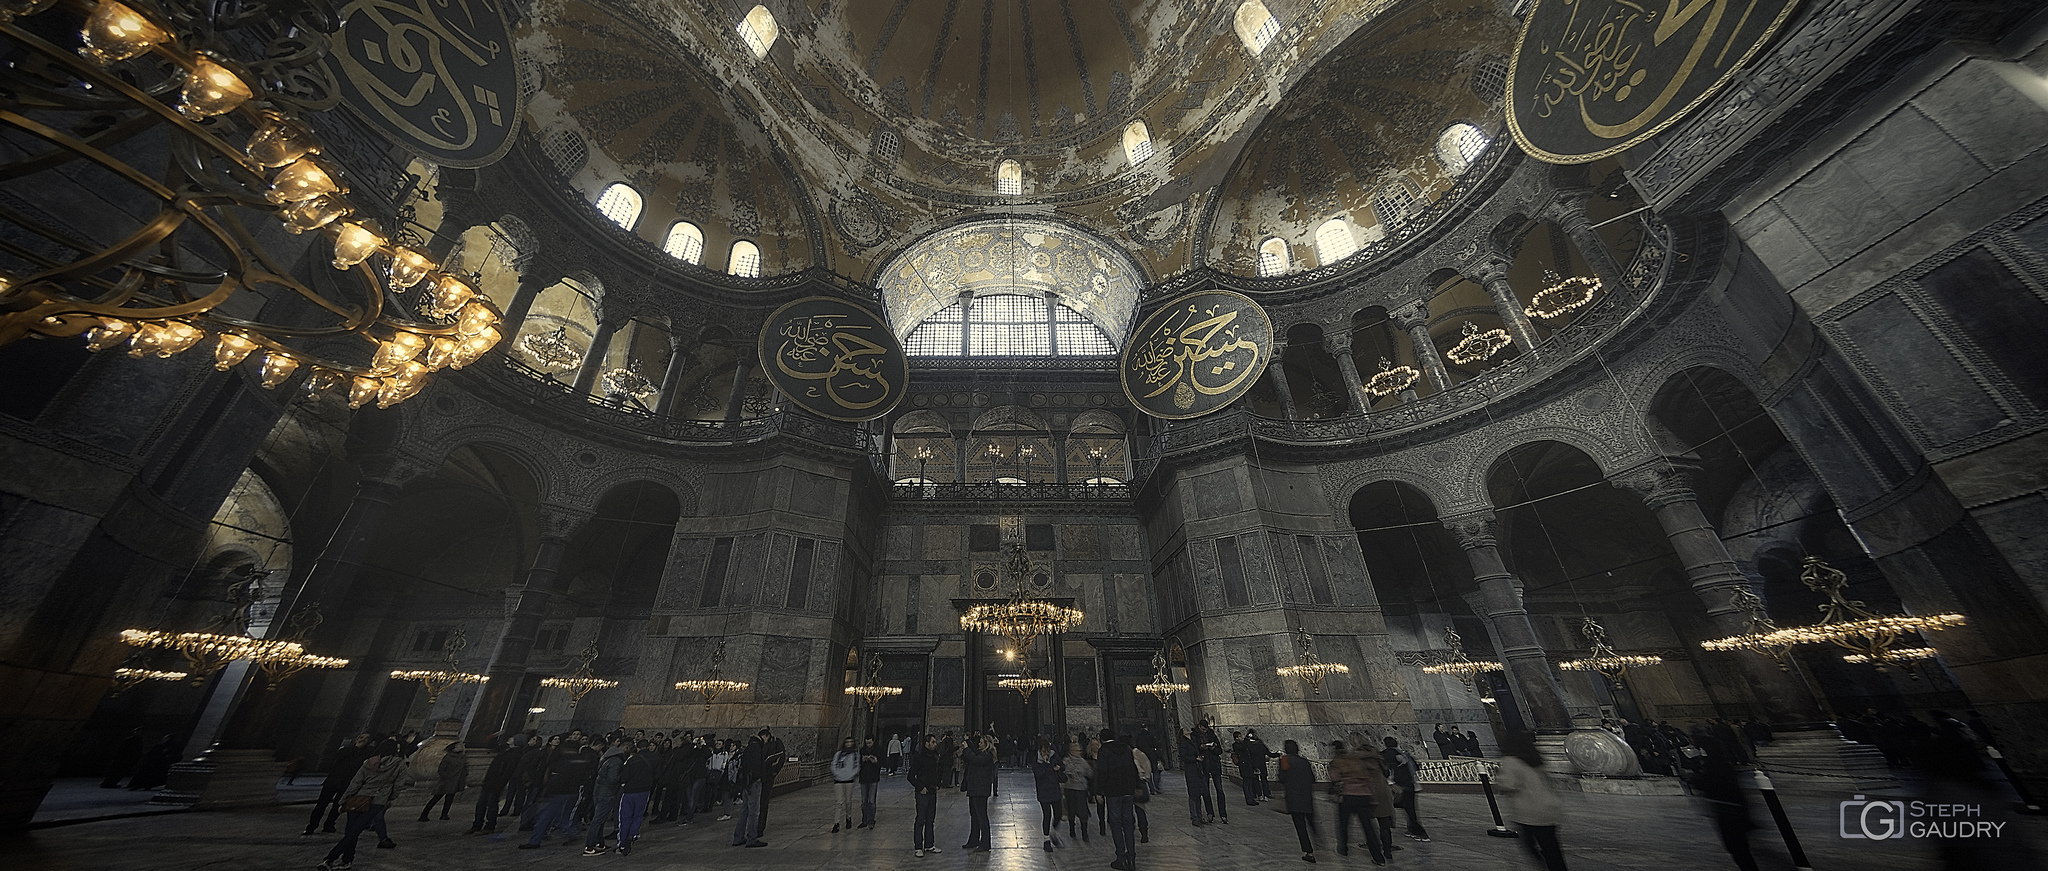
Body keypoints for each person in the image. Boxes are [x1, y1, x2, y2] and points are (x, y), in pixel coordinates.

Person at [317, 739, 404, 870]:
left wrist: (343, 801)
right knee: (354, 832)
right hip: (377, 801)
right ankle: (330, 859)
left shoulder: (368, 762)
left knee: (351, 830)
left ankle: (346, 860)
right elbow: (398, 785)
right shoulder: (399, 764)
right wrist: (389, 798)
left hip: (358, 798)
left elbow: (355, 783)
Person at [1495, 732, 1567, 871]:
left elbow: (1509, 784)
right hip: (1550, 807)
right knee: (1552, 847)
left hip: (1529, 810)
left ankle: (1545, 865)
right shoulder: (1535, 758)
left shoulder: (1510, 760)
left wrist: (1499, 780)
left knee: (1529, 843)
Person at [1686, 739, 1758, 871]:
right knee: (1741, 848)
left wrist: (1695, 779)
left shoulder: (1714, 765)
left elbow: (1712, 784)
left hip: (1727, 811)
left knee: (1737, 848)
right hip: (1734, 809)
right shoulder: (1721, 763)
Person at [520, 740, 597, 850]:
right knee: (560, 817)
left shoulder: (567, 761)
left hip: (561, 793)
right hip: (570, 792)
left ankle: (536, 841)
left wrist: (547, 791)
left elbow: (558, 777)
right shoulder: (580, 761)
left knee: (547, 817)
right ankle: (568, 834)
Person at [1096, 731, 1144, 871]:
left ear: (1102, 738)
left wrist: (1099, 791)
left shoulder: (1104, 751)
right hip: (1128, 792)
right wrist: (1136, 786)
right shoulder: (1126, 749)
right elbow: (1133, 769)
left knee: (1116, 824)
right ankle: (1131, 858)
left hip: (1113, 792)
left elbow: (1102, 772)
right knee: (1128, 824)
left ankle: (1121, 858)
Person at [307, 733, 373, 835]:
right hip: (333, 780)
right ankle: (312, 826)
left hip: (347, 783)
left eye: (366, 739)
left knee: (337, 806)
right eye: (361, 737)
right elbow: (336, 760)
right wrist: (356, 747)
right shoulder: (345, 750)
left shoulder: (367, 754)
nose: (363, 740)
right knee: (321, 804)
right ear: (356, 739)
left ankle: (329, 824)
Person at [1277, 739, 1319, 863]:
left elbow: (1282, 778)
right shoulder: (1304, 761)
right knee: (1311, 821)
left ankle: (1309, 852)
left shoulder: (1285, 760)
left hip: (1294, 797)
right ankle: (1319, 840)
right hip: (1307, 796)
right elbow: (1312, 779)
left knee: (1300, 826)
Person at [468, 737, 521, 835]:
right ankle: (476, 825)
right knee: (481, 804)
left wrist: (500, 784)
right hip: (489, 782)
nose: (510, 738)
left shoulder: (514, 754)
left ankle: (489, 826)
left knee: (491, 805)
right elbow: (491, 744)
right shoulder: (505, 750)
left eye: (513, 738)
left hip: (496, 783)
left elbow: (507, 772)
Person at [1381, 736, 1429, 841]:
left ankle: (1421, 833)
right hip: (1410, 784)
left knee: (1391, 808)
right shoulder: (1405, 754)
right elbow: (1416, 767)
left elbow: (1384, 770)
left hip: (1397, 786)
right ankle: (1411, 829)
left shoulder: (1385, 754)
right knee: (1410, 810)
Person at [583, 737, 624, 855]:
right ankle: (589, 846)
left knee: (600, 819)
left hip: (599, 792)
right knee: (598, 820)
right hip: (607, 793)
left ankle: (599, 843)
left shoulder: (606, 758)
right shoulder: (616, 761)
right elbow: (613, 779)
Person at [728, 732, 769, 848]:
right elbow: (756, 766)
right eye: (767, 739)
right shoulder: (756, 748)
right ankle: (752, 838)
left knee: (744, 810)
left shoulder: (748, 748)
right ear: (764, 736)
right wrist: (759, 778)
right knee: (753, 812)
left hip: (746, 783)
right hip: (753, 783)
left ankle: (738, 837)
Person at [615, 741, 655, 856]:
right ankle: (633, 834)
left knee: (625, 817)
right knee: (638, 815)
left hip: (630, 791)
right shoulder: (653, 758)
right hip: (644, 791)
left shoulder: (631, 760)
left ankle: (622, 843)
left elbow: (623, 777)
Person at [960, 732, 997, 851]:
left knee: (981, 816)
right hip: (974, 788)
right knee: (974, 816)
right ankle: (973, 840)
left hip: (980, 789)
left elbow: (975, 759)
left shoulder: (987, 756)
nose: (979, 745)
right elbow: (974, 752)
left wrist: (966, 749)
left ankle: (985, 843)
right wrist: (969, 742)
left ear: (986, 745)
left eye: (981, 743)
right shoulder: (981, 753)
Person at [418, 741, 467, 822]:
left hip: (455, 781)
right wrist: (447, 776)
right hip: (446, 781)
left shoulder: (462, 757)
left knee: (449, 799)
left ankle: (444, 814)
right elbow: (441, 769)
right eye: (459, 746)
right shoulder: (448, 757)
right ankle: (424, 814)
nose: (461, 747)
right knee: (436, 798)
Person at [1030, 739, 1065, 851]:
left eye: (1047, 751)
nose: (1046, 753)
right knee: (1047, 815)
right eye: (1044, 751)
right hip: (1043, 791)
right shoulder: (1036, 760)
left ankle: (1053, 831)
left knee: (1058, 813)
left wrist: (1059, 768)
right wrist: (1046, 764)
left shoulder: (1054, 756)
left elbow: (1062, 766)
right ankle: (1046, 840)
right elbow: (1039, 774)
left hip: (1054, 789)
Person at [755, 726, 788, 835]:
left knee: (764, 802)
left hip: (768, 776)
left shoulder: (776, 742)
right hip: (757, 776)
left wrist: (774, 771)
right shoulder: (757, 743)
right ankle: (752, 825)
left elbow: (781, 758)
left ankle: (760, 827)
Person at [1060, 737, 1093, 843]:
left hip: (1081, 789)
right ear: (1071, 751)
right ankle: (1072, 829)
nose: (1078, 752)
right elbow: (1062, 775)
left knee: (1083, 812)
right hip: (1070, 789)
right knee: (1071, 810)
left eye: (1080, 751)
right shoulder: (1066, 761)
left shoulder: (1083, 762)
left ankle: (1085, 833)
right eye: (1076, 750)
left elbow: (1089, 773)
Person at [1195, 723, 1228, 823]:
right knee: (1206, 791)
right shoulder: (1195, 736)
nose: (1205, 731)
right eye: (1203, 729)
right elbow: (1194, 749)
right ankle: (1210, 813)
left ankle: (1223, 814)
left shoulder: (1212, 735)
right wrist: (1201, 748)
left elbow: (1219, 750)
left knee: (1220, 790)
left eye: (1206, 729)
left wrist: (1213, 749)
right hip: (1204, 766)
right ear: (1199, 727)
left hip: (1214, 765)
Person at [1178, 728, 1212, 826]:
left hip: (1198, 769)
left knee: (1199, 794)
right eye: (1185, 730)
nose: (1187, 730)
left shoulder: (1193, 740)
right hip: (1191, 770)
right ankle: (1194, 818)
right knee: (1193, 795)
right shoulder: (1184, 744)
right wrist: (1195, 758)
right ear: (1182, 733)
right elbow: (1184, 757)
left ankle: (1200, 816)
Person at [830, 736, 860, 833]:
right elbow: (833, 765)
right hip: (838, 780)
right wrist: (837, 773)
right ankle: (836, 823)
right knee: (839, 802)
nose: (849, 744)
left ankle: (848, 817)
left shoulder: (855, 755)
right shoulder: (839, 754)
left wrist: (851, 774)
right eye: (847, 742)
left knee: (848, 801)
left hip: (849, 780)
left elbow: (857, 766)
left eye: (851, 742)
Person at [858, 736, 883, 828]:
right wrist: (863, 760)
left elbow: (882, 763)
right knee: (864, 801)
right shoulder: (862, 750)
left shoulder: (878, 750)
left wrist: (876, 762)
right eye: (867, 743)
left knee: (871, 800)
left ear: (873, 742)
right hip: (864, 778)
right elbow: (858, 764)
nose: (868, 745)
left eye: (870, 743)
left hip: (873, 778)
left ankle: (871, 820)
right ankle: (864, 820)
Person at [1246, 729, 1274, 800]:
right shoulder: (1261, 745)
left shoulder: (1248, 746)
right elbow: (1269, 754)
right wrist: (1278, 754)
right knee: (1264, 780)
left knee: (1256, 780)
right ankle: (1266, 795)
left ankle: (1259, 795)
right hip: (1262, 764)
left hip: (1254, 765)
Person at [1136, 727, 1164, 794]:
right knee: (1155, 771)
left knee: (1147, 773)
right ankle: (1156, 786)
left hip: (1143, 756)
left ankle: (1152, 789)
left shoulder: (1138, 737)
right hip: (1152, 755)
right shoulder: (1150, 736)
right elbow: (1156, 744)